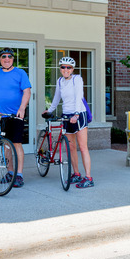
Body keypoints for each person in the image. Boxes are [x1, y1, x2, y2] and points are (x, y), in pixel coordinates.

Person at [43, 57, 93, 188]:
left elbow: (79, 96)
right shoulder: (60, 81)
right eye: (63, 67)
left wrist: (76, 114)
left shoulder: (77, 79)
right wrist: (50, 110)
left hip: (79, 114)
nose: (65, 69)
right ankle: (76, 174)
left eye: (68, 67)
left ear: (73, 69)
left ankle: (88, 177)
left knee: (83, 147)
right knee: (71, 147)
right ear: (60, 68)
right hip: (66, 115)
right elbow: (56, 98)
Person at [0, 48, 32, 188]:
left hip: (16, 115)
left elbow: (27, 91)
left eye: (9, 56)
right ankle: (10, 173)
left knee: (16, 144)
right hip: (0, 116)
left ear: (13, 59)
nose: (7, 59)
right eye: (3, 56)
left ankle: (19, 175)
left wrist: (22, 108)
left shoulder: (20, 73)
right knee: (6, 144)